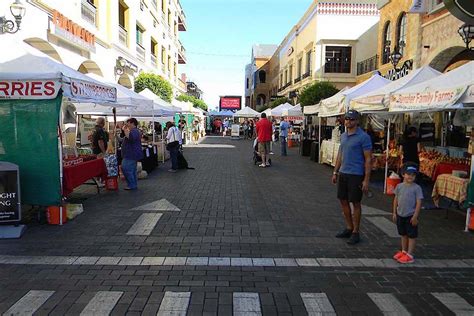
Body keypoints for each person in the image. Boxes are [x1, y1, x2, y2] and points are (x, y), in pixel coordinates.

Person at [331, 110, 372, 245]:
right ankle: (349, 227)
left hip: (356, 174)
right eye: (347, 119)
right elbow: (340, 155)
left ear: (357, 121)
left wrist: (366, 179)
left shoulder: (363, 137)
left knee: (355, 203)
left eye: (352, 119)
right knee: (343, 201)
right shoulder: (343, 136)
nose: (349, 121)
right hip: (343, 173)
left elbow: (368, 159)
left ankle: (356, 232)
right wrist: (335, 172)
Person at [392, 163, 423, 264]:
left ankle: (410, 254)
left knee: (412, 235)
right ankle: (404, 251)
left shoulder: (417, 188)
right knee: (403, 234)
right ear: (403, 174)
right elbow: (395, 199)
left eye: (413, 175)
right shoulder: (399, 186)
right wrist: (394, 212)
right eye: (408, 174)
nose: (410, 176)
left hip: (410, 215)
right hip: (400, 214)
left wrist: (415, 216)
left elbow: (419, 202)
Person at [121, 118, 143, 190]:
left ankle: (132, 185)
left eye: (128, 123)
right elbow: (124, 139)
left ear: (132, 123)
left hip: (131, 154)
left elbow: (131, 138)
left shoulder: (135, 131)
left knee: (126, 169)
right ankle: (133, 184)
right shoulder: (132, 131)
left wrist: (124, 129)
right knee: (131, 170)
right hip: (130, 154)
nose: (127, 125)